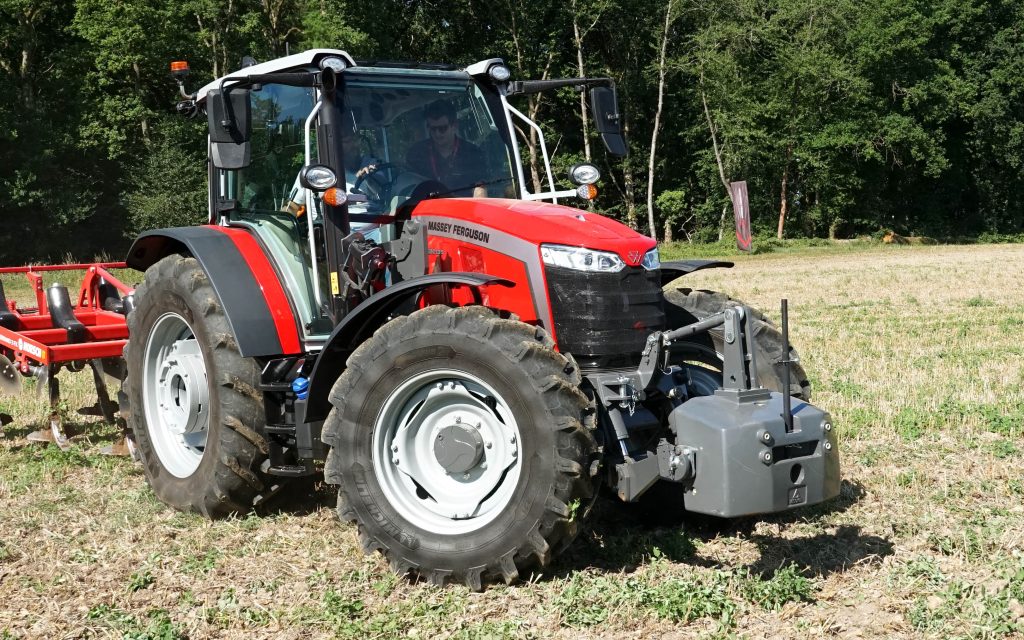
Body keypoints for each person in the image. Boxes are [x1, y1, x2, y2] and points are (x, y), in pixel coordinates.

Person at [281, 116, 383, 240]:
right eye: (346, 140)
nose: (353, 145)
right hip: (330, 235)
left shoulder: (373, 165)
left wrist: (371, 179)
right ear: (333, 142)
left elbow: (388, 198)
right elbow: (292, 206)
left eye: (355, 139)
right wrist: (281, 230)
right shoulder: (314, 170)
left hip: (374, 232)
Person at [405, 100, 488, 197]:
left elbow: (480, 187)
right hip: (426, 209)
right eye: (433, 129)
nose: (437, 134)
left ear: (454, 125)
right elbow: (409, 186)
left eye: (442, 128)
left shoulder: (473, 153)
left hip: (462, 208)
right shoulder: (416, 153)